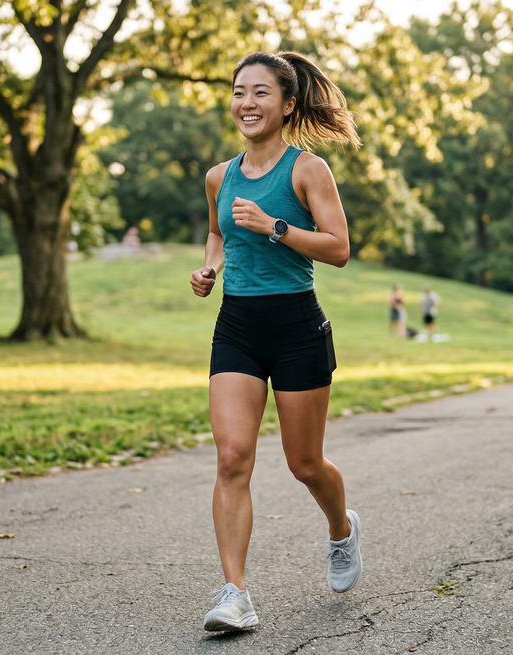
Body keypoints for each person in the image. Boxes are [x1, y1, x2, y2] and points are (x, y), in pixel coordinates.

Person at [188, 50, 363, 633]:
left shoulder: (307, 170)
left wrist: (276, 227)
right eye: (239, 92)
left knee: (304, 463)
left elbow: (339, 249)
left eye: (260, 92)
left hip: (296, 327)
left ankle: (342, 529)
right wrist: (210, 268)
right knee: (232, 456)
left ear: (287, 105)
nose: (247, 103)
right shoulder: (219, 176)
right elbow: (218, 233)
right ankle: (234, 593)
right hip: (237, 326)